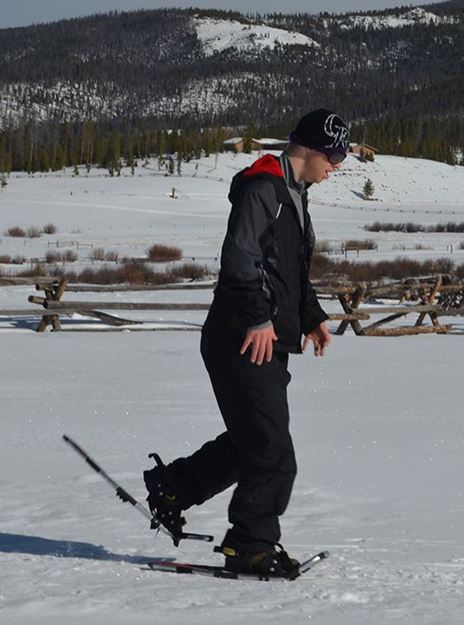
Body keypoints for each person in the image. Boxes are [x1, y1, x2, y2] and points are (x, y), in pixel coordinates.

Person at [143, 109, 350, 577]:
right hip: (240, 338)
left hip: (266, 340)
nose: (337, 166)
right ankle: (250, 546)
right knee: (273, 454)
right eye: (335, 155)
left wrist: (311, 317)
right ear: (314, 148)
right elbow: (239, 261)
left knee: (252, 444)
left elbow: (288, 273)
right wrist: (258, 319)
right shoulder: (263, 190)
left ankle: (173, 487)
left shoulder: (294, 194)